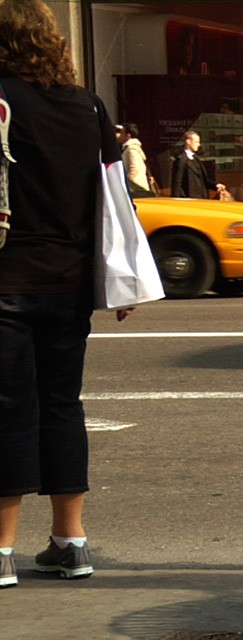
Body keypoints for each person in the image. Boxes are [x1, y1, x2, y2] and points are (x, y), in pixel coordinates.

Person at [0, 0, 136, 590]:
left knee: (7, 409)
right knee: (62, 404)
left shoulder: (3, 100)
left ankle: (1, 552)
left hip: (7, 281)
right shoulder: (89, 106)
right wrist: (124, 275)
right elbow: (114, 199)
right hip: (71, 283)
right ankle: (71, 542)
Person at [170, 130, 225, 199]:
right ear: (188, 142)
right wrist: (176, 201)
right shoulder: (180, 160)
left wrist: (216, 185)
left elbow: (203, 179)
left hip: (202, 198)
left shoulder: (196, 159)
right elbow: (176, 184)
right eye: (196, 142)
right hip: (189, 199)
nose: (198, 144)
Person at [115, 122, 155, 198]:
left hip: (137, 190)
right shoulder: (130, 148)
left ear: (128, 136)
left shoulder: (131, 149)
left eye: (122, 132)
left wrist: (128, 185)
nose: (120, 135)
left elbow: (134, 168)